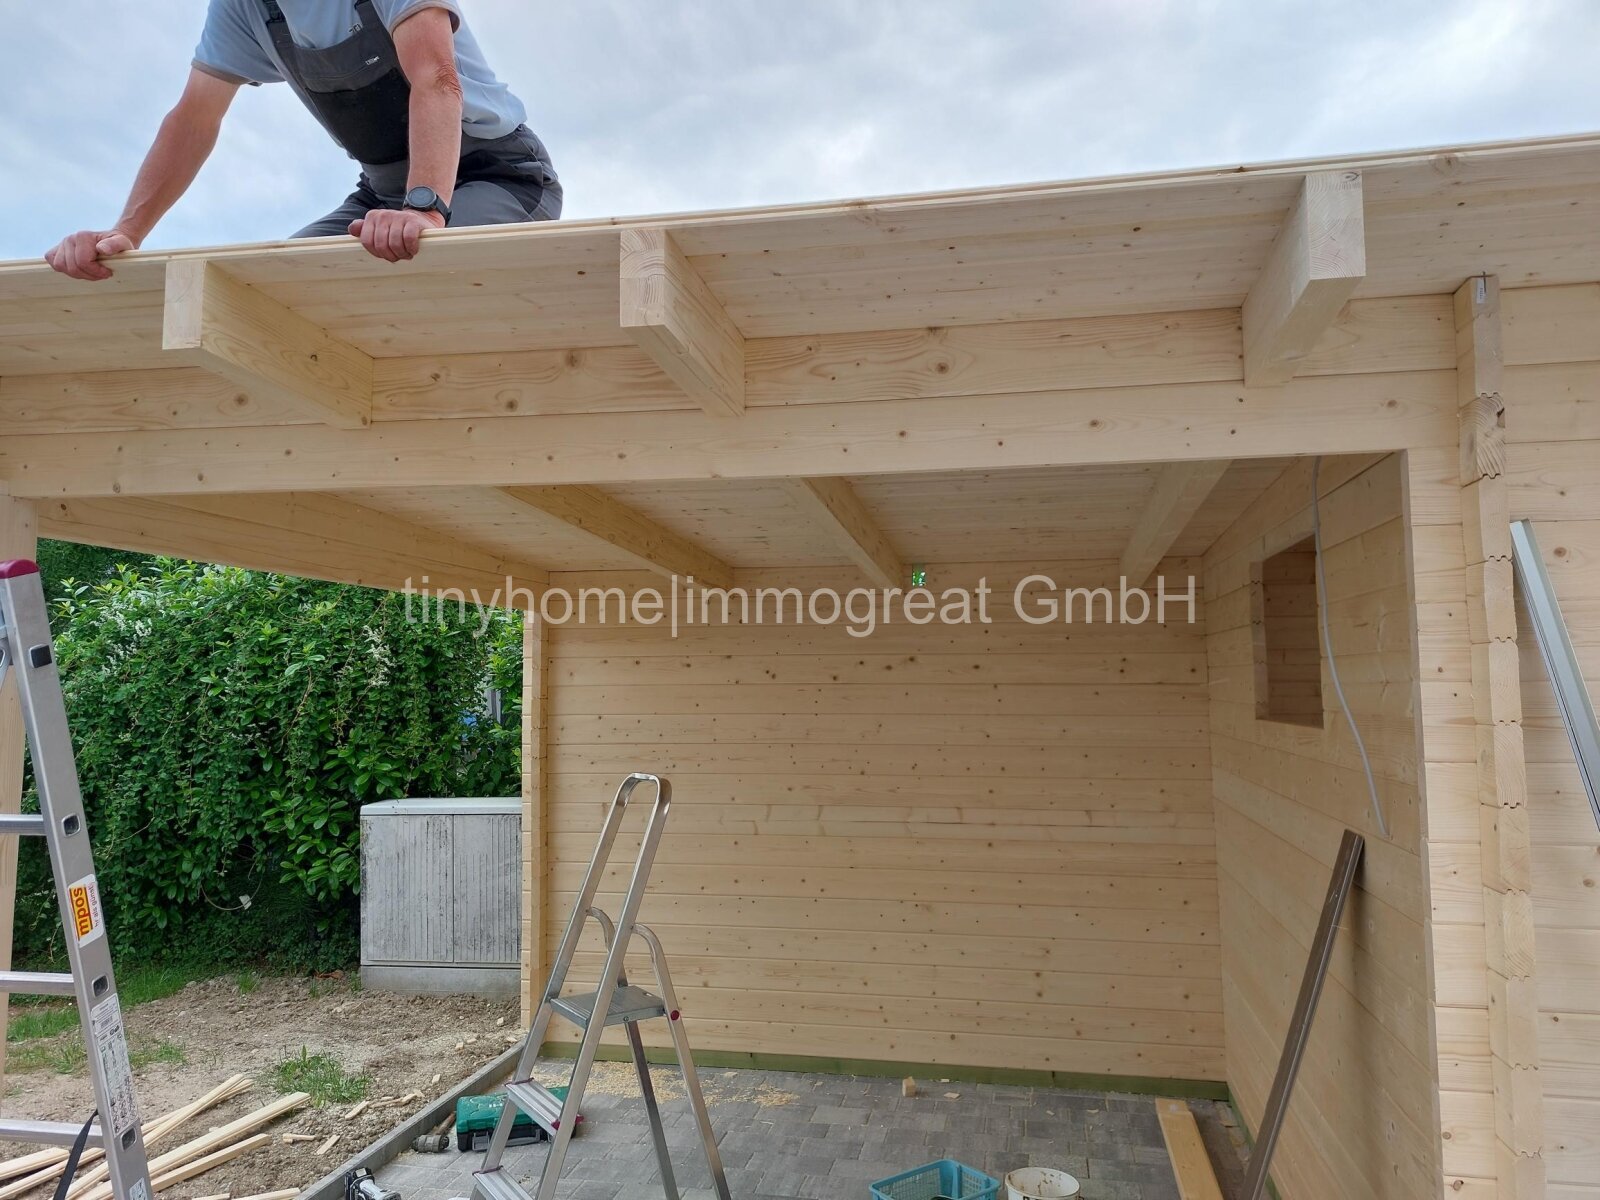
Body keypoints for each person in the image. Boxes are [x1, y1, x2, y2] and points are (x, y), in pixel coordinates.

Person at [45, 0, 560, 280]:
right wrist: (124, 234)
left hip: (499, 174)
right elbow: (194, 118)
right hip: (382, 195)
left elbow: (436, 79)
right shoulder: (243, 7)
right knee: (271, 290)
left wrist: (423, 209)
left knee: (403, 274)